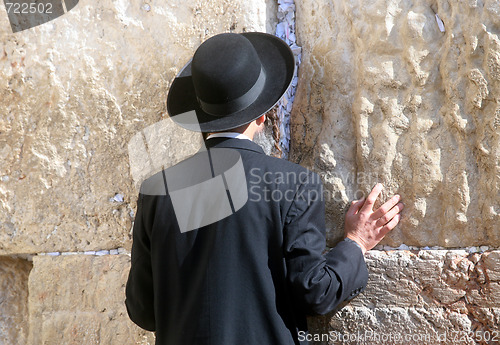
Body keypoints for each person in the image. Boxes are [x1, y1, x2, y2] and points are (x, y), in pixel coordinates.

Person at [125, 32, 404, 345]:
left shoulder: (155, 193)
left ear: (201, 118)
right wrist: (356, 243)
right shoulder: (294, 184)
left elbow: (143, 309)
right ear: (262, 114)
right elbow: (315, 292)